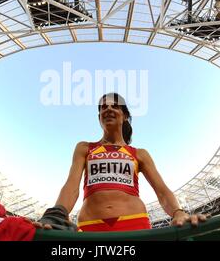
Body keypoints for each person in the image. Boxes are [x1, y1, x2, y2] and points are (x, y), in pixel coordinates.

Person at [37, 92, 210, 232]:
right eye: (103, 107)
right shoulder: (84, 148)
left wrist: (177, 212)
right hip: (90, 226)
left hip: (134, 223)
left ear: (125, 115)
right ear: (99, 117)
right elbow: (71, 186)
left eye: (114, 105)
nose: (108, 109)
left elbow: (162, 191)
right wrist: (58, 214)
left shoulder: (139, 154)